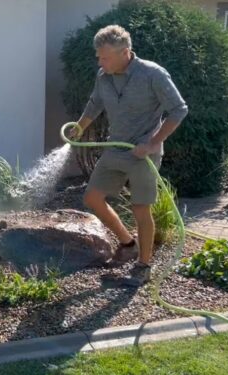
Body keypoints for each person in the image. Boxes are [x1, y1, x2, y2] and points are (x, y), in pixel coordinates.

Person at [69, 25, 188, 286]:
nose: (100, 62)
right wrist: (79, 128)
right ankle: (127, 242)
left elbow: (179, 110)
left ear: (126, 53)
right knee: (92, 197)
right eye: (99, 56)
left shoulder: (152, 74)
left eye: (105, 57)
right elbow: (95, 104)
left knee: (140, 208)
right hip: (116, 148)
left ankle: (143, 267)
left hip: (143, 154)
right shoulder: (104, 76)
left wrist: (153, 143)